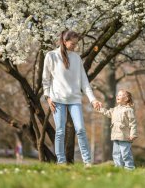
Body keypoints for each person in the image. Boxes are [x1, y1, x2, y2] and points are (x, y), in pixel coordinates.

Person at [42, 30, 102, 167]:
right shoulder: (51, 56)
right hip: (57, 100)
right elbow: (45, 80)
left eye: (76, 44)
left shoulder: (76, 58)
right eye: (73, 43)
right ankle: (61, 162)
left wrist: (93, 99)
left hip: (75, 100)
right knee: (60, 131)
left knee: (80, 129)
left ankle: (87, 162)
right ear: (64, 41)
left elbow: (84, 81)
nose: (75, 46)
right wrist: (48, 97)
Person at [96, 89, 137, 170]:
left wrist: (133, 134)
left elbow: (133, 123)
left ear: (126, 99)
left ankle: (129, 167)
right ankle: (118, 168)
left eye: (120, 95)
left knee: (125, 153)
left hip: (125, 136)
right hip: (115, 135)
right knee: (116, 153)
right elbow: (108, 113)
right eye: (117, 95)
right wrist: (100, 108)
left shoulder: (129, 110)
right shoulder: (115, 109)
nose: (117, 96)